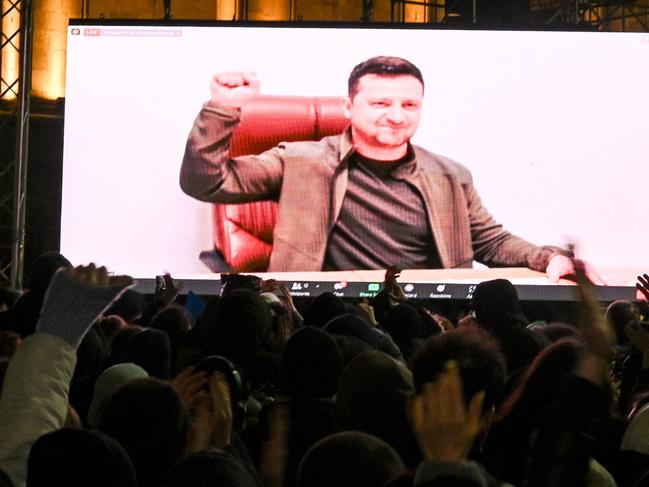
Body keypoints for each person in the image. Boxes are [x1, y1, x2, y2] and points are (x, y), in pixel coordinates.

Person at [180, 56, 573, 280]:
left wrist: (549, 258)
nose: (396, 116)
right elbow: (207, 183)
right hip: (326, 315)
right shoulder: (299, 161)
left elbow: (492, 242)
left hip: (423, 317)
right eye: (381, 104)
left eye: (409, 106)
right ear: (350, 108)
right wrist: (223, 109)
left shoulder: (450, 176)